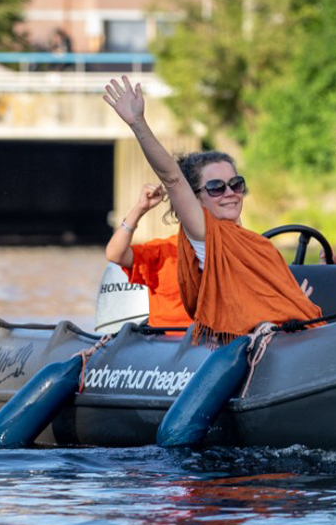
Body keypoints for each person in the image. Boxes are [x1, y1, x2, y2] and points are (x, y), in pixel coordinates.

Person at [104, 76, 320, 342]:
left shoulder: (258, 246)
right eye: (216, 187)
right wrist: (138, 124)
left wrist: (291, 303)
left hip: (288, 342)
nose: (229, 193)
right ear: (196, 200)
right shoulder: (206, 238)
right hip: (230, 349)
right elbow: (172, 178)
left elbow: (262, 303)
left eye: (235, 184)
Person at [104, 182, 189, 329]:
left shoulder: (235, 248)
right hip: (168, 343)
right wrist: (140, 209)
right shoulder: (162, 250)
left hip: (220, 345)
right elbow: (115, 254)